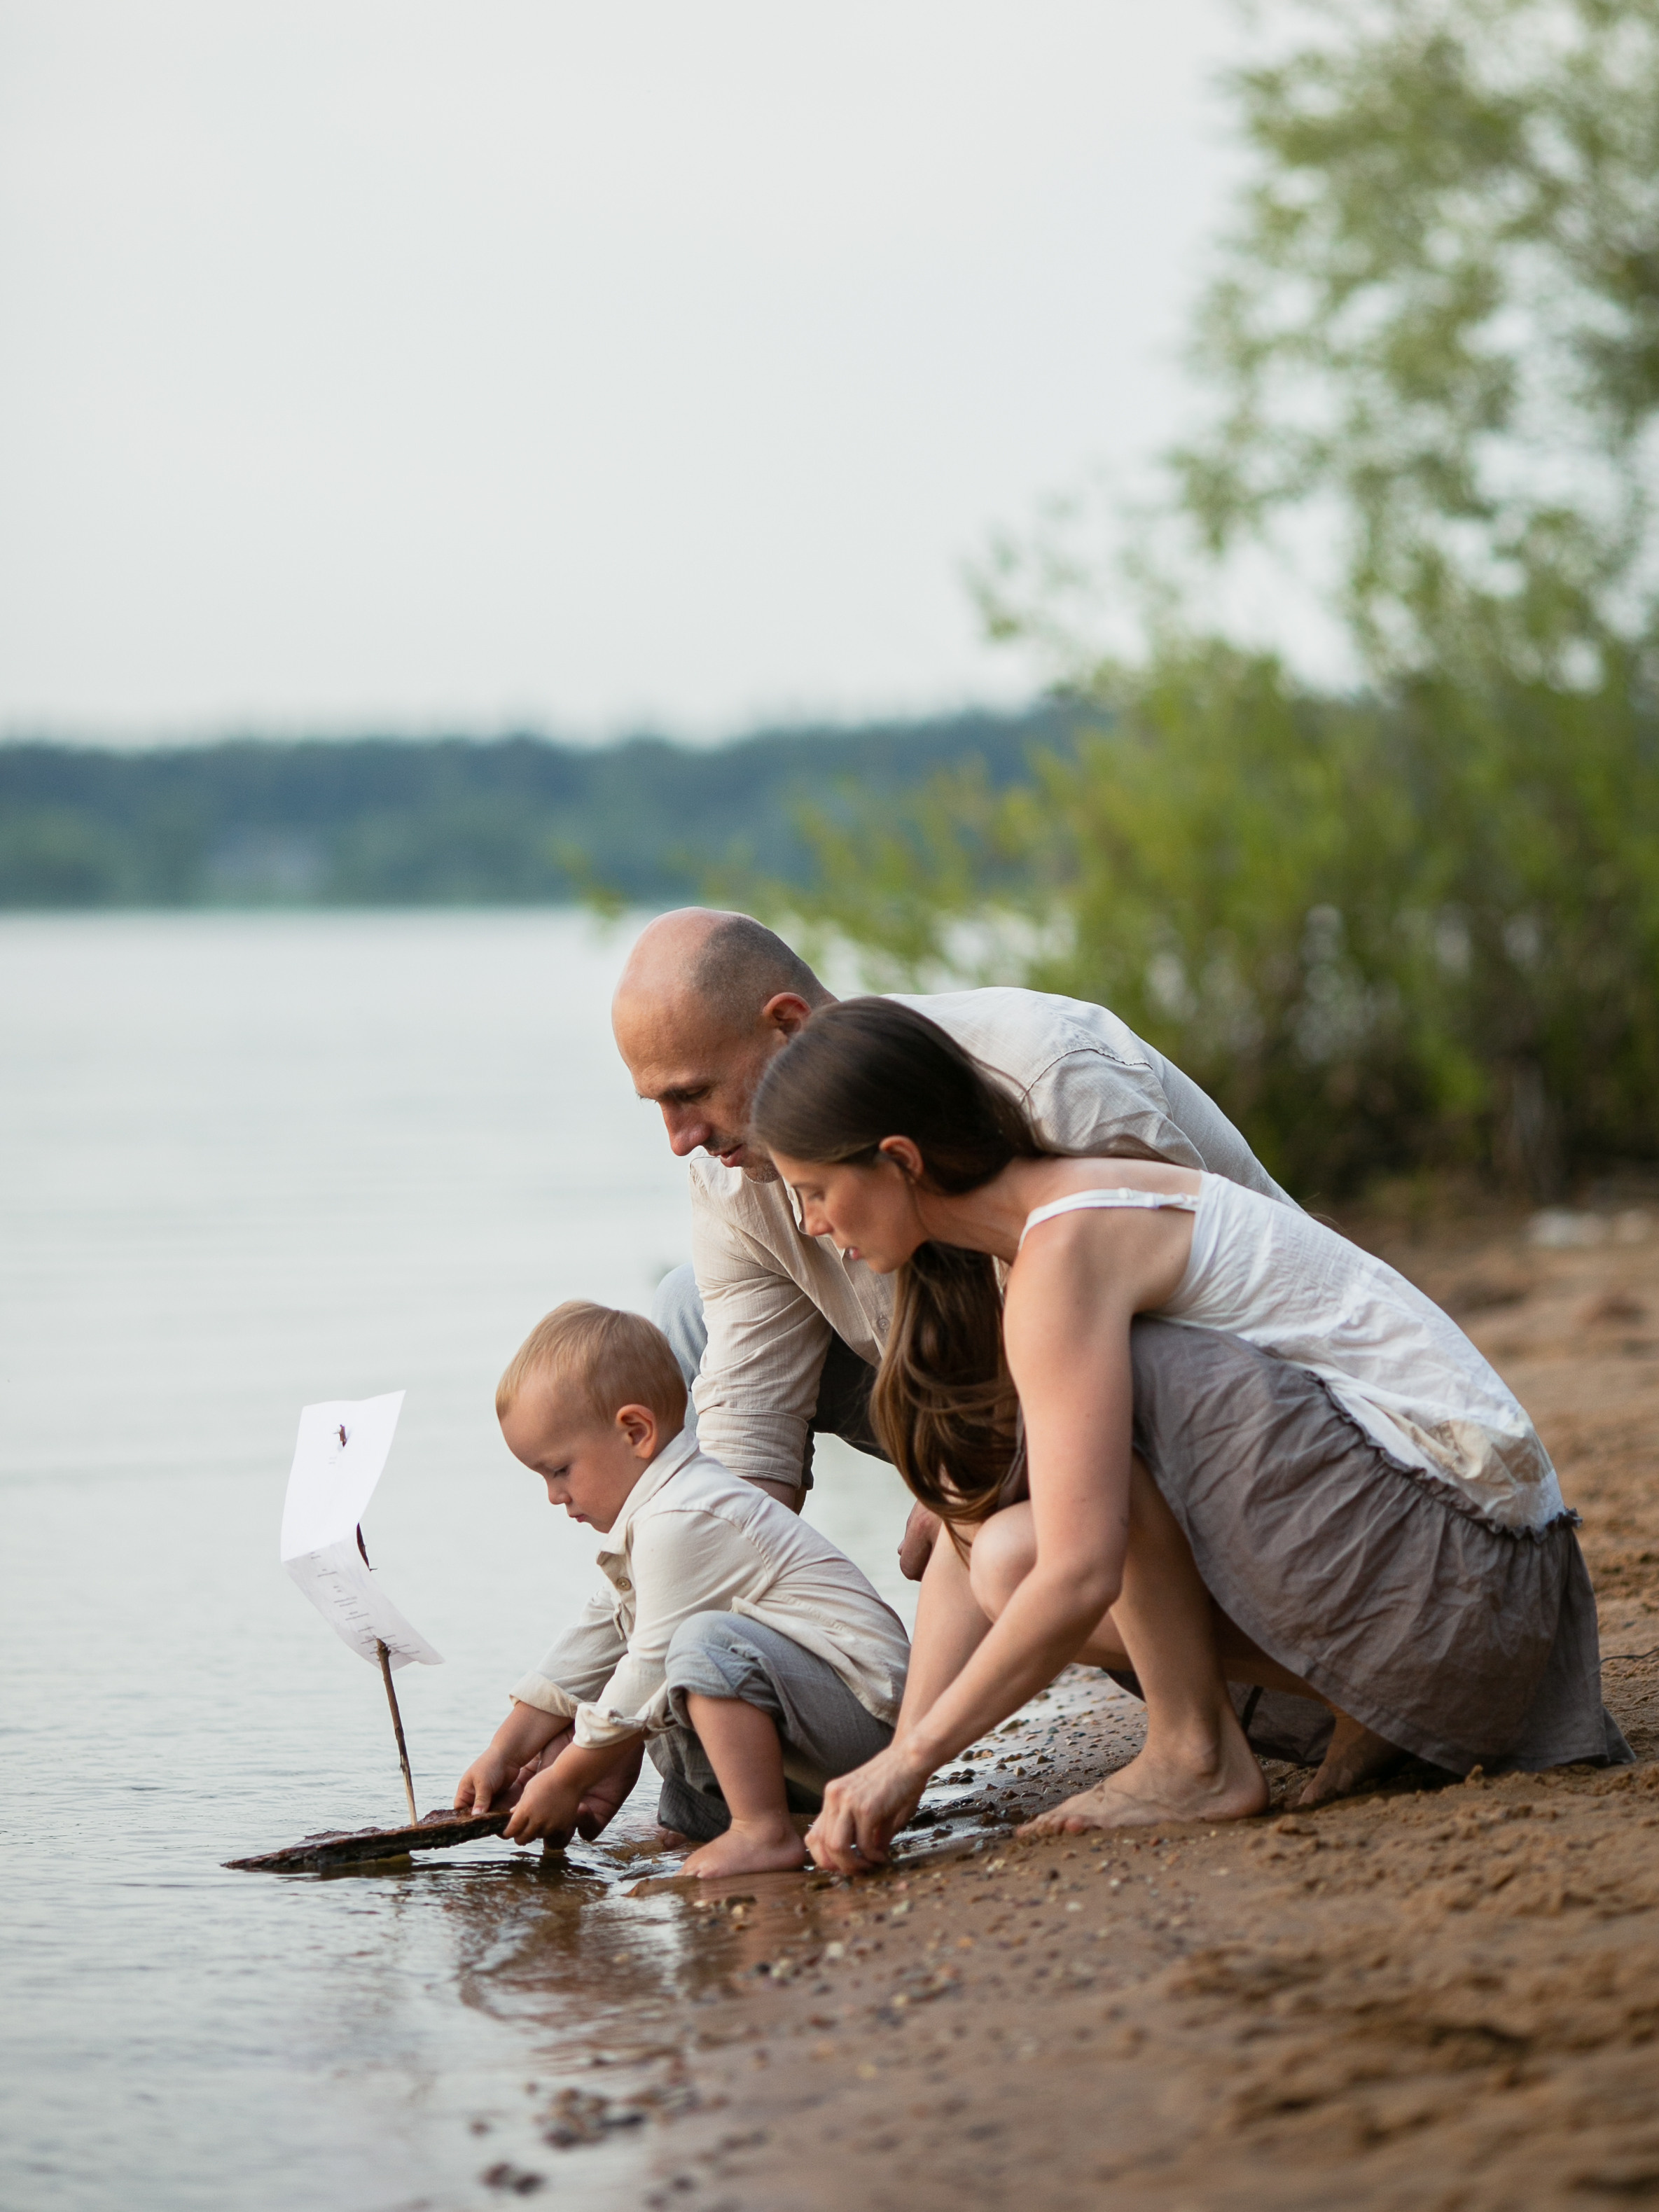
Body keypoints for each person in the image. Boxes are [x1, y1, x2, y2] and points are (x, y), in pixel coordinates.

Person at [740, 997, 1629, 1867]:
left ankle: (1192, 1754)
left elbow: (1085, 1572)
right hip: (1491, 1600)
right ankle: (1307, 1716)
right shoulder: (1056, 1226)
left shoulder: (1067, 1254)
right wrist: (896, 1768)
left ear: (898, 1159)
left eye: (815, 1191)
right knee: (1005, 1554)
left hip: (1468, 1593)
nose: (813, 1224)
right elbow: (986, 1554)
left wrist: (907, 1762)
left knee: (1096, 1467)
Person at [612, 907, 1294, 1578]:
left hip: (1244, 1409)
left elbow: (1180, 1330)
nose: (681, 1140)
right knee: (685, 1308)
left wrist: (976, 1478)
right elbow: (748, 1440)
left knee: (1000, 1556)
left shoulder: (1044, 1075)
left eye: (693, 1094)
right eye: (659, 1107)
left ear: (788, 1025)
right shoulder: (731, 1171)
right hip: (1003, 1389)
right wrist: (686, 1613)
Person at [453, 1300, 909, 1877]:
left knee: (689, 1649)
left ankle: (762, 1830)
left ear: (635, 1432)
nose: (553, 1495)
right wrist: (504, 1752)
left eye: (560, 1469)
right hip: (813, 1725)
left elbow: (645, 1668)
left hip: (865, 1722)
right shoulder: (651, 1523)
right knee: (652, 1680)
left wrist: (567, 1774)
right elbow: (590, 1644)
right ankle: (716, 1824)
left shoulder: (687, 1515)